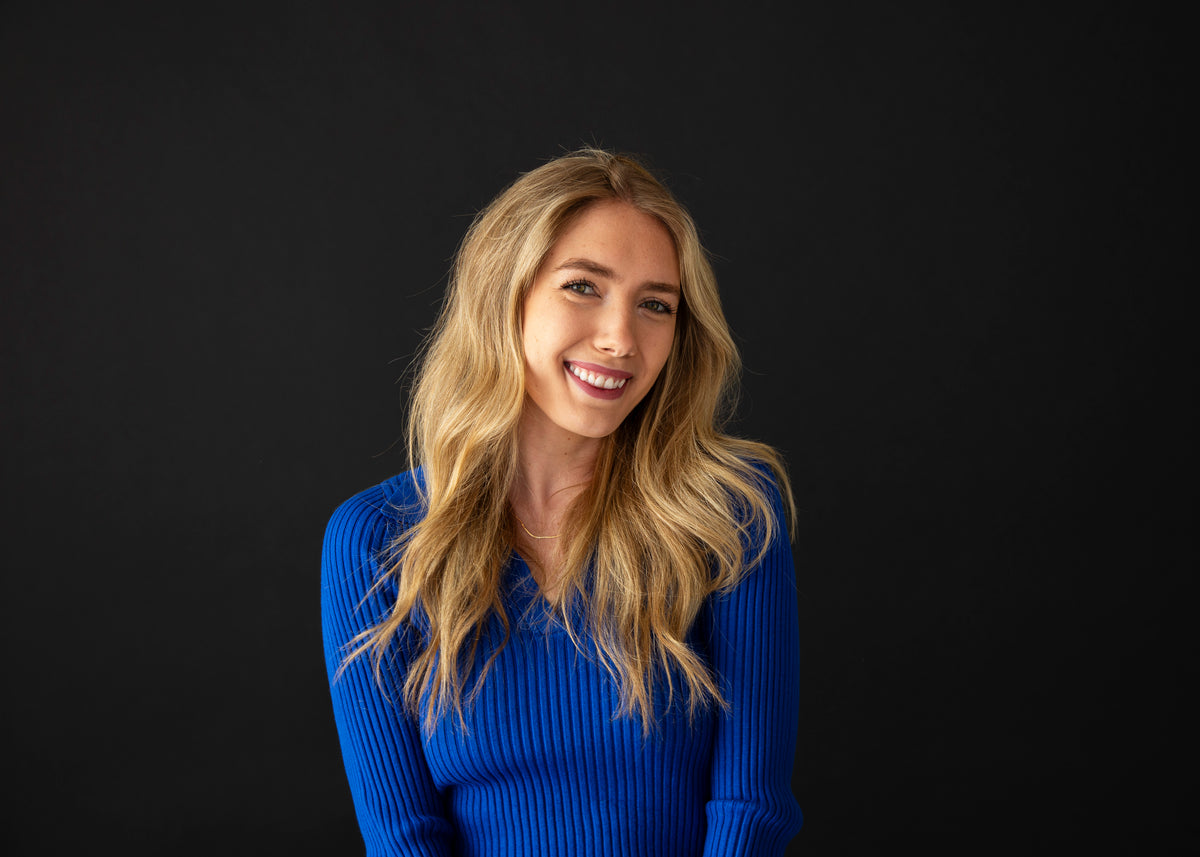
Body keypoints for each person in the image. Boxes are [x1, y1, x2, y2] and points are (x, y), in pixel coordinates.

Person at [321, 148, 803, 856]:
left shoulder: (726, 514)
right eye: (583, 286)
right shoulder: (377, 539)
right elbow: (404, 836)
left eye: (656, 305)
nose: (620, 339)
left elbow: (749, 807)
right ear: (503, 296)